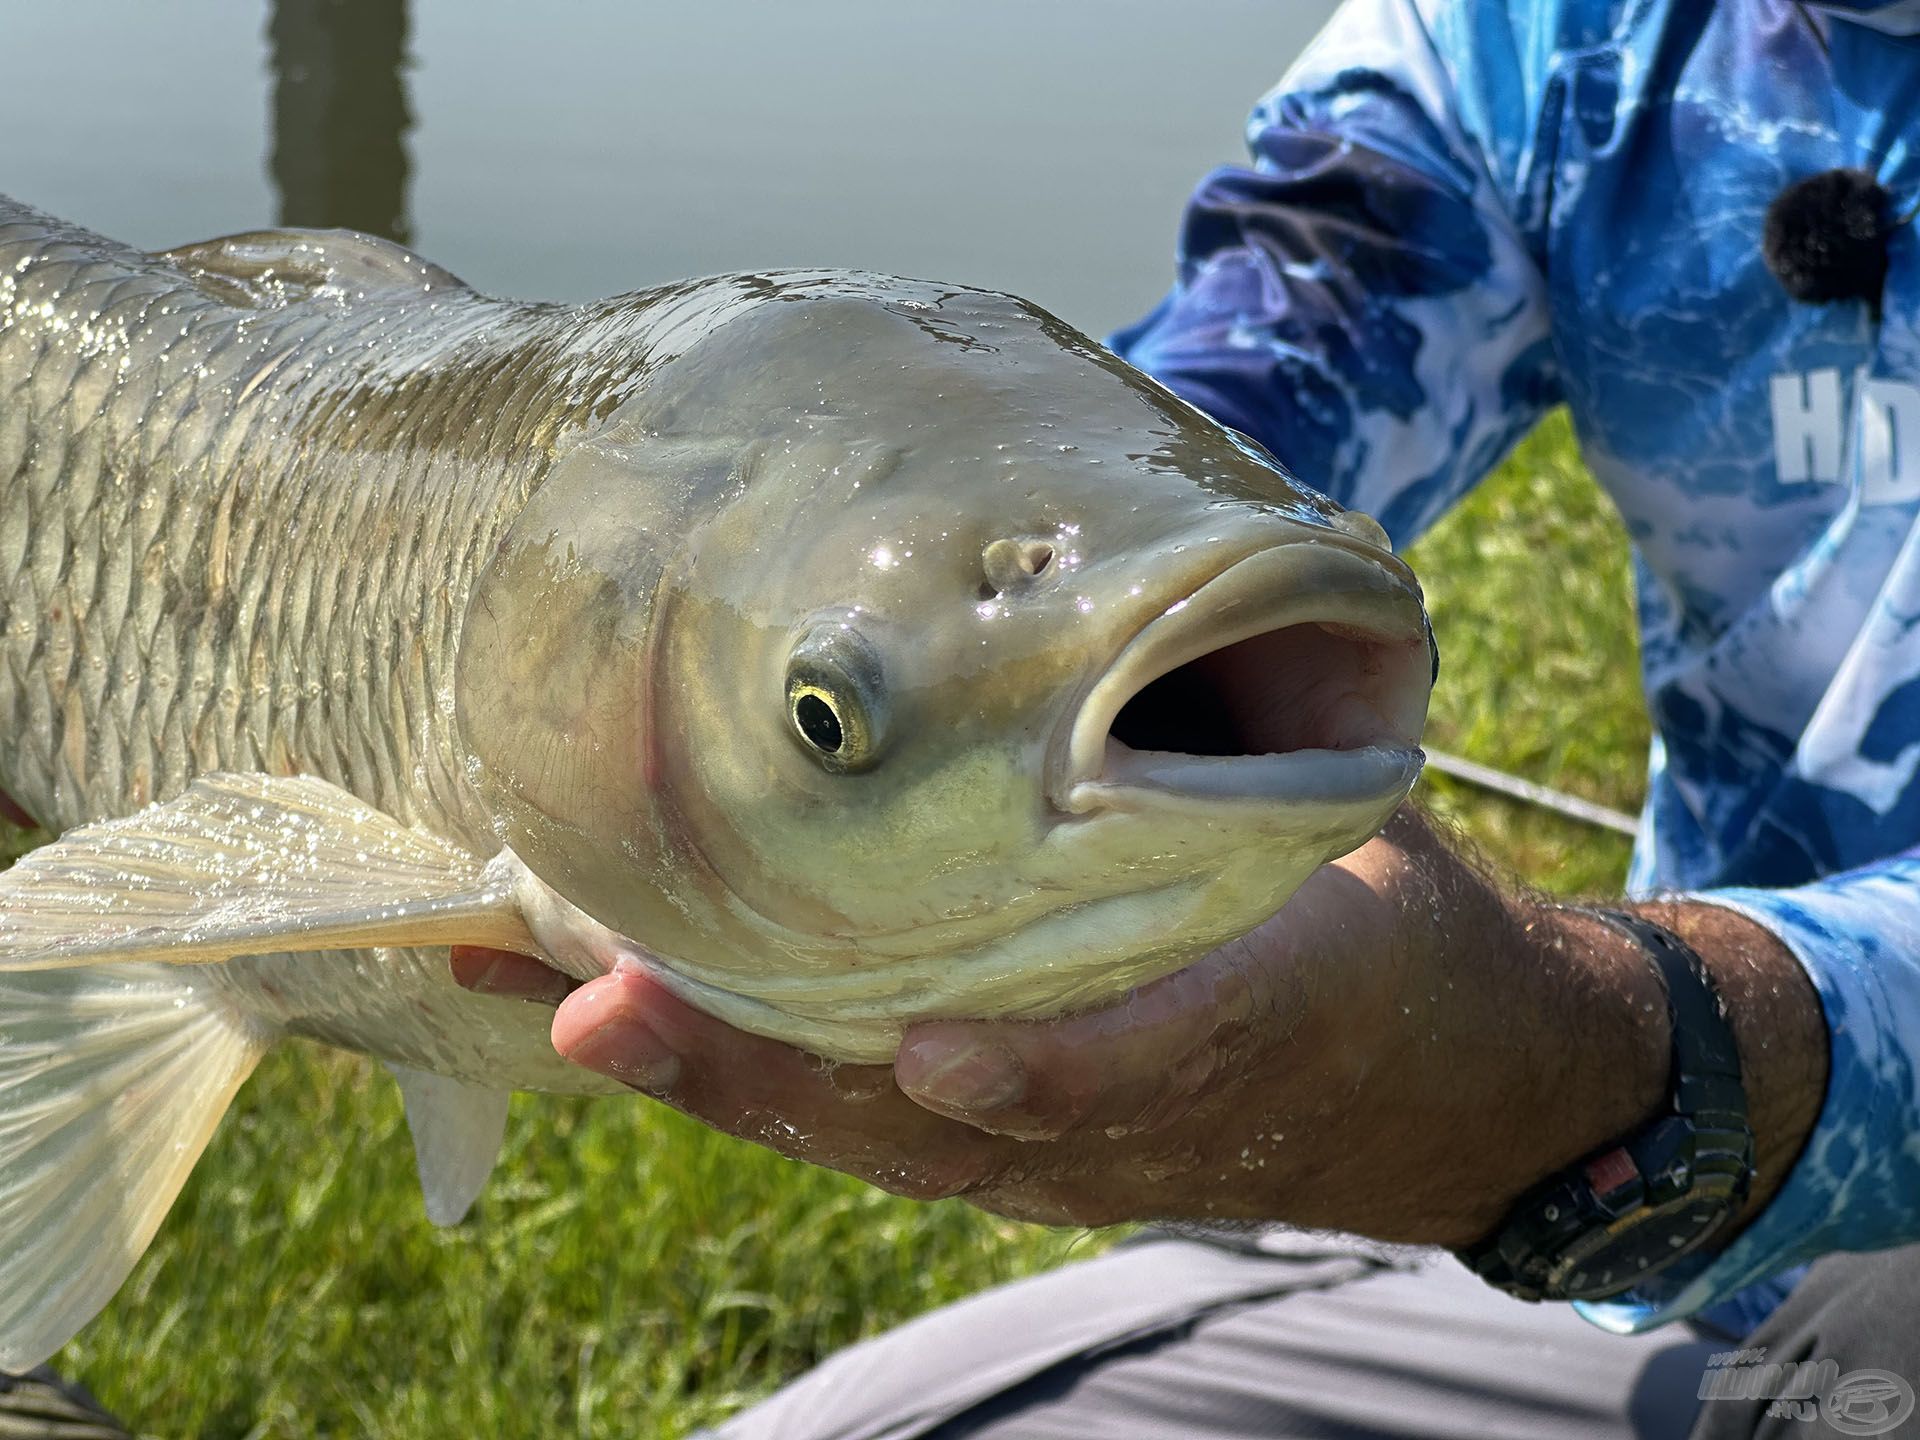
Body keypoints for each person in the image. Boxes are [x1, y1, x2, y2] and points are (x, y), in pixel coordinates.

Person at [451, 0, 1920, 1435]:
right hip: (1638, 1254)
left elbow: (1588, 1063)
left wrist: (1606, 1059)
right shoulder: (1532, 35)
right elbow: (1199, 428)